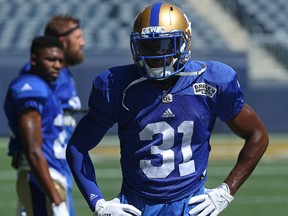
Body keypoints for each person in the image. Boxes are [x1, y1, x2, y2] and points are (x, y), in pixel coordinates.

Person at [66, 2, 269, 216]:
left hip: (191, 205)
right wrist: (98, 203)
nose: (155, 55)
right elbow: (77, 147)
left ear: (184, 42)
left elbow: (257, 135)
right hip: (137, 206)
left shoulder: (212, 81)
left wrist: (225, 191)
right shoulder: (116, 86)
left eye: (164, 45)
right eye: (148, 47)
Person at [19, 14, 86, 216]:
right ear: (63, 41)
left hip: (58, 169)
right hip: (46, 171)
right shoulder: (39, 76)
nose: (83, 43)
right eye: (79, 37)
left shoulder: (62, 74)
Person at [4, 36, 69, 216]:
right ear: (34, 59)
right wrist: (57, 202)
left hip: (45, 176)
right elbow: (33, 151)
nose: (57, 65)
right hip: (41, 178)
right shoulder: (31, 87)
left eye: (60, 61)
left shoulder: (44, 87)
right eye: (50, 59)